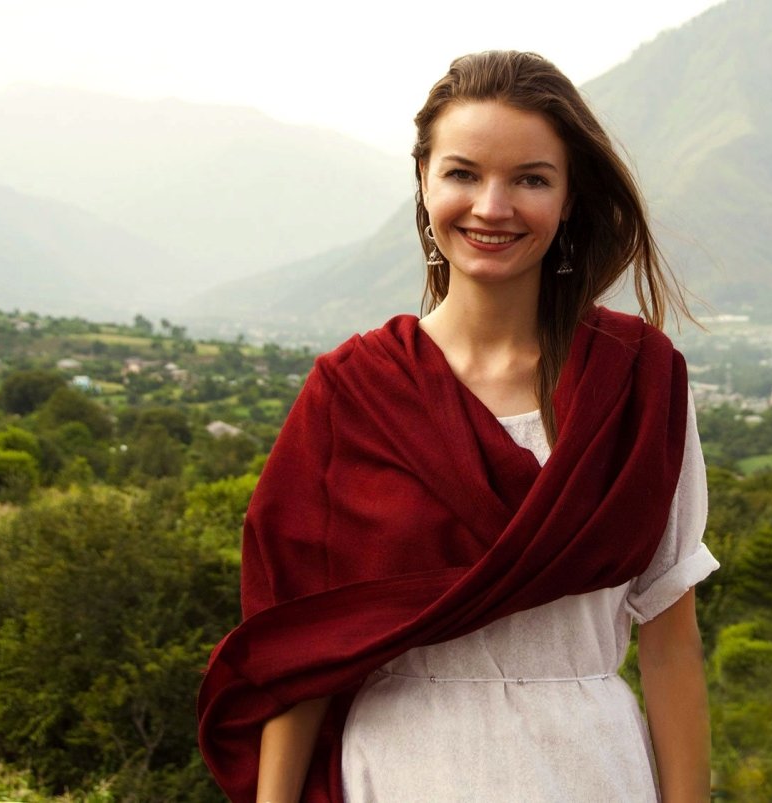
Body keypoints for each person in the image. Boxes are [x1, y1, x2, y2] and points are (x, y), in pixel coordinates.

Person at [197, 50, 718, 802]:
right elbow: (299, 650)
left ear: (569, 196)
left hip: (590, 769)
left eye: (531, 179)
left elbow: (670, 644)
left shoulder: (639, 380)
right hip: (402, 769)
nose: (492, 207)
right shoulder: (353, 392)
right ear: (424, 181)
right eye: (463, 174)